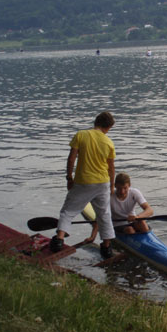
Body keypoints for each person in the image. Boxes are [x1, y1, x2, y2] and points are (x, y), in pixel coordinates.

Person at [50, 111, 116, 259]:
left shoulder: (81, 135)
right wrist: (111, 185)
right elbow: (111, 167)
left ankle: (59, 240)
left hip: (83, 181)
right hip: (102, 182)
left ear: (96, 122)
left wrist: (69, 177)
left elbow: (71, 158)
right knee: (104, 214)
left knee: (68, 211)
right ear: (108, 127)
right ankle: (106, 247)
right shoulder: (108, 142)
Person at [86, 172, 154, 242]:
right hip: (117, 225)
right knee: (130, 230)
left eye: (125, 188)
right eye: (119, 188)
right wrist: (92, 236)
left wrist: (137, 217)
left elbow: (150, 210)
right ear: (115, 186)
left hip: (132, 220)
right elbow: (100, 216)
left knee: (142, 222)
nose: (122, 192)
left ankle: (149, 242)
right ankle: (137, 245)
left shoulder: (134, 192)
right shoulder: (110, 196)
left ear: (129, 185)